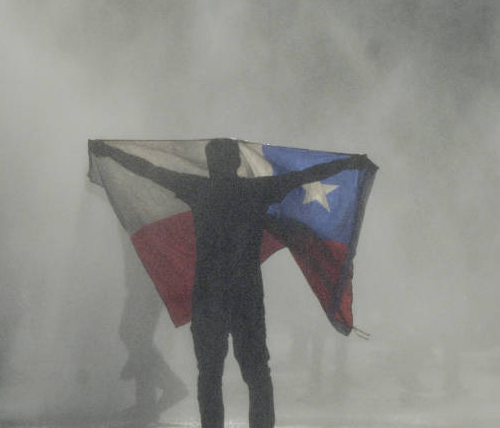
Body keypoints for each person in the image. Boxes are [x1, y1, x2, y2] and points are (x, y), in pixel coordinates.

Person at [90, 138, 369, 428]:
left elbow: (149, 169)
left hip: (209, 294)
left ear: (210, 163)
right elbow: (304, 176)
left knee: (209, 373)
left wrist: (110, 153)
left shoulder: (198, 189)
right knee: (257, 371)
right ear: (237, 163)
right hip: (246, 294)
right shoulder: (256, 191)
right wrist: (349, 164)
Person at [118, 232, 187, 426]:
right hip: (145, 279)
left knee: (132, 334)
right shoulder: (128, 209)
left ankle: (170, 385)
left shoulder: (137, 210)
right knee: (138, 338)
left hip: (149, 280)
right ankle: (146, 405)